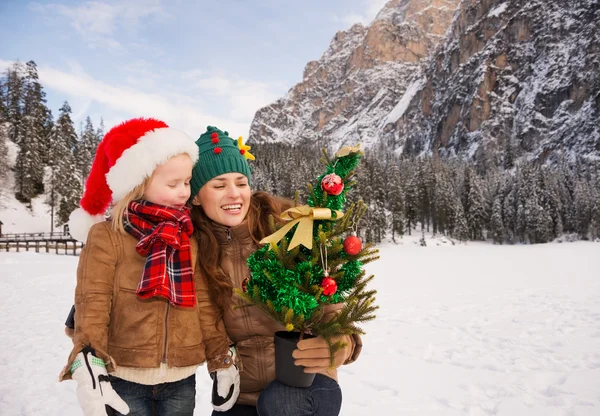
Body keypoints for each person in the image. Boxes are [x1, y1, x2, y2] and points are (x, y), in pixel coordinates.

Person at [59, 118, 240, 416]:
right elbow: (93, 301)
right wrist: (90, 357)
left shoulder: (189, 235)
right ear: (139, 182)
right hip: (125, 374)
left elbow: (204, 305)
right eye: (173, 184)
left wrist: (221, 356)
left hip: (181, 379)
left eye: (186, 183)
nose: (184, 192)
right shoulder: (107, 236)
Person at [189, 126, 363, 416]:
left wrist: (342, 343)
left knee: (279, 403)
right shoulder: (193, 251)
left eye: (241, 182)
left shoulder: (289, 230)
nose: (234, 194)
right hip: (242, 396)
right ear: (196, 197)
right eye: (219, 185)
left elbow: (333, 302)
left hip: (306, 383)